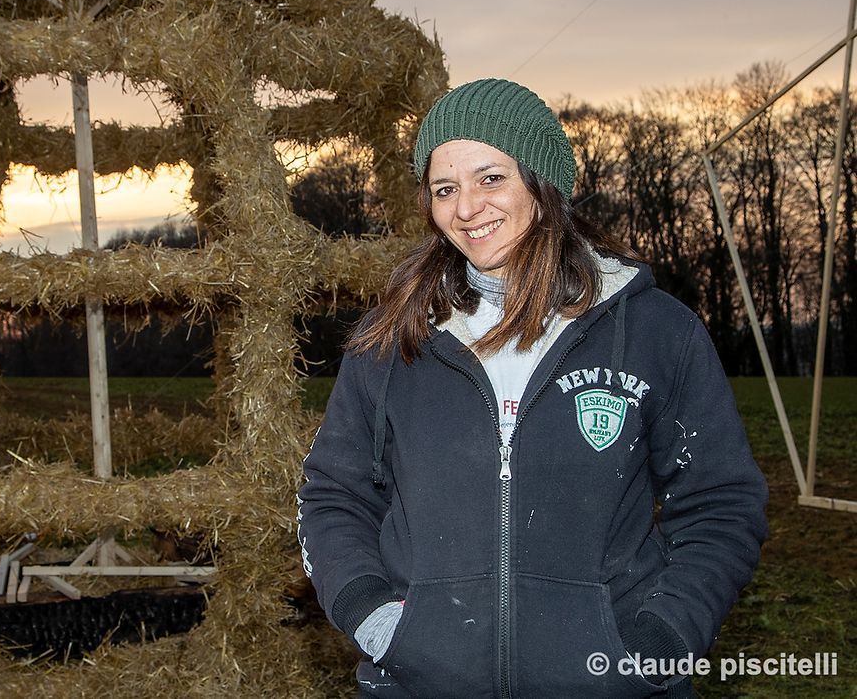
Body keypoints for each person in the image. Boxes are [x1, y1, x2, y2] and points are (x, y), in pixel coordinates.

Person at [296, 78, 768, 698]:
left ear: (542, 185)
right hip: (421, 684)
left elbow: (722, 505)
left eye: (491, 179)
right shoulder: (394, 338)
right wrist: (376, 619)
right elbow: (333, 495)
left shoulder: (655, 332)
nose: (466, 208)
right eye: (445, 189)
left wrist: (658, 643)